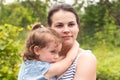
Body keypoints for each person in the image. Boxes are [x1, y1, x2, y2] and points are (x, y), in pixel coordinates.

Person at [47, 3, 97, 80]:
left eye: (71, 24)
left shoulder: (85, 59)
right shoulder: (41, 56)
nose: (66, 30)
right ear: (49, 29)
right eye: (59, 25)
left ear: (78, 27)